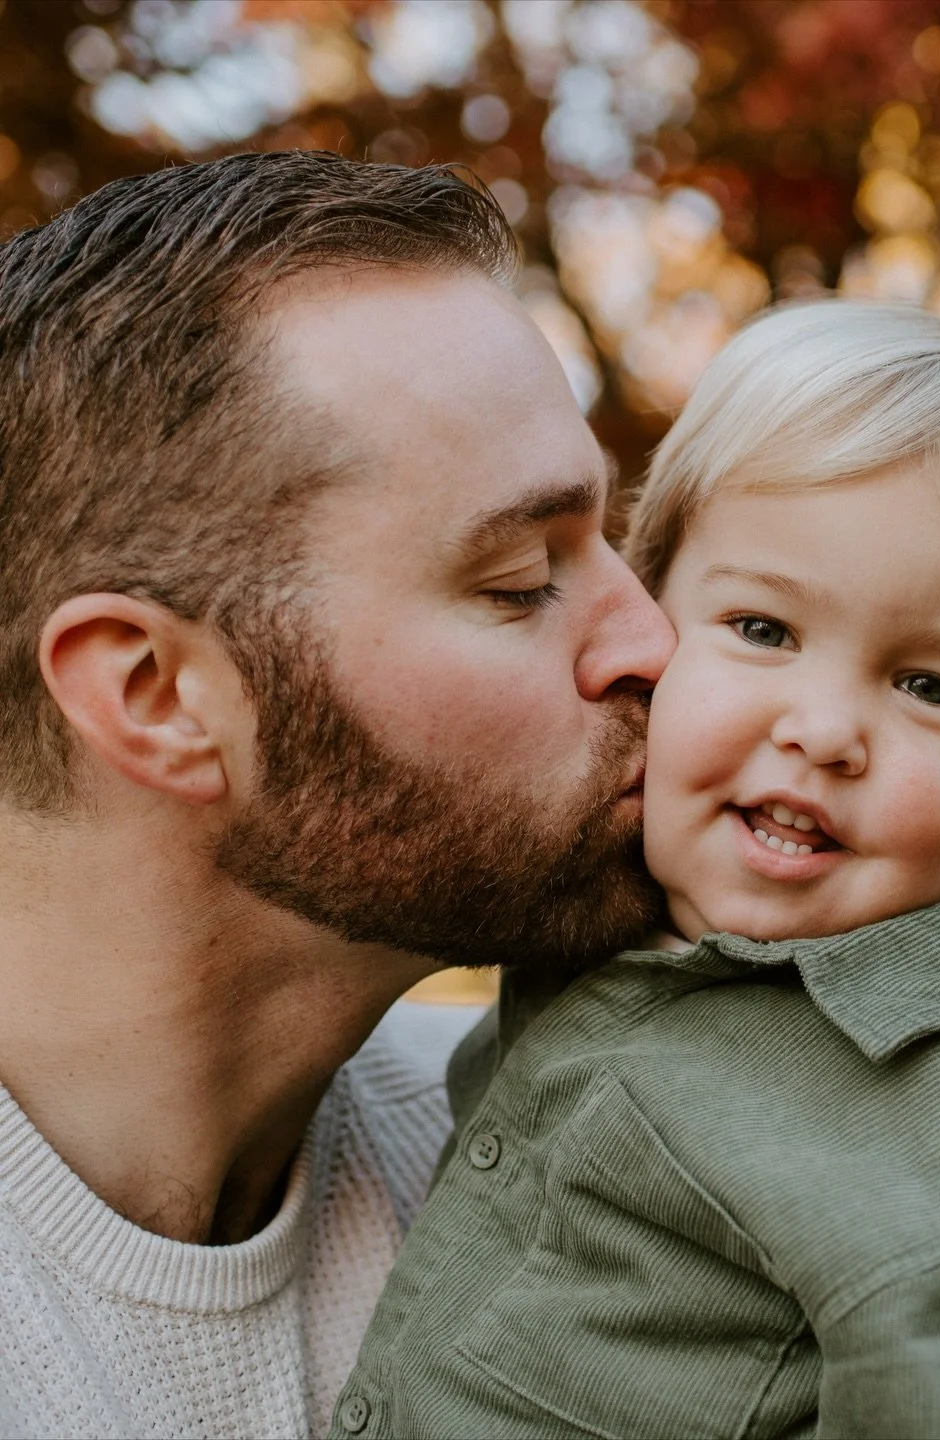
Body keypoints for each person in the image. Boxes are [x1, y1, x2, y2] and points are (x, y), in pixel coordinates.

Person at [332, 301, 940, 1440]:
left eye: (932, 686)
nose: (828, 730)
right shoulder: (582, 932)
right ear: (647, 632)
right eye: (764, 629)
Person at [0, 152, 674, 1439]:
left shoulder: (563, 1173)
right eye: (525, 579)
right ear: (156, 694)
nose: (656, 645)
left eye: (614, 548)